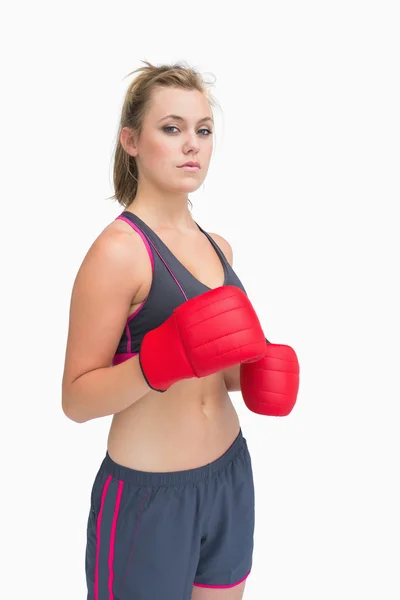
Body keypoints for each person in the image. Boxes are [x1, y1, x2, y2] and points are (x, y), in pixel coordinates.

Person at [62, 61, 299, 600]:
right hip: (149, 500)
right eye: (171, 128)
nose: (191, 144)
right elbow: (76, 398)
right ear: (131, 141)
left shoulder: (220, 246)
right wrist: (152, 364)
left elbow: (208, 366)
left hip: (230, 475)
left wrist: (255, 371)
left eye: (203, 129)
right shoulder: (118, 252)